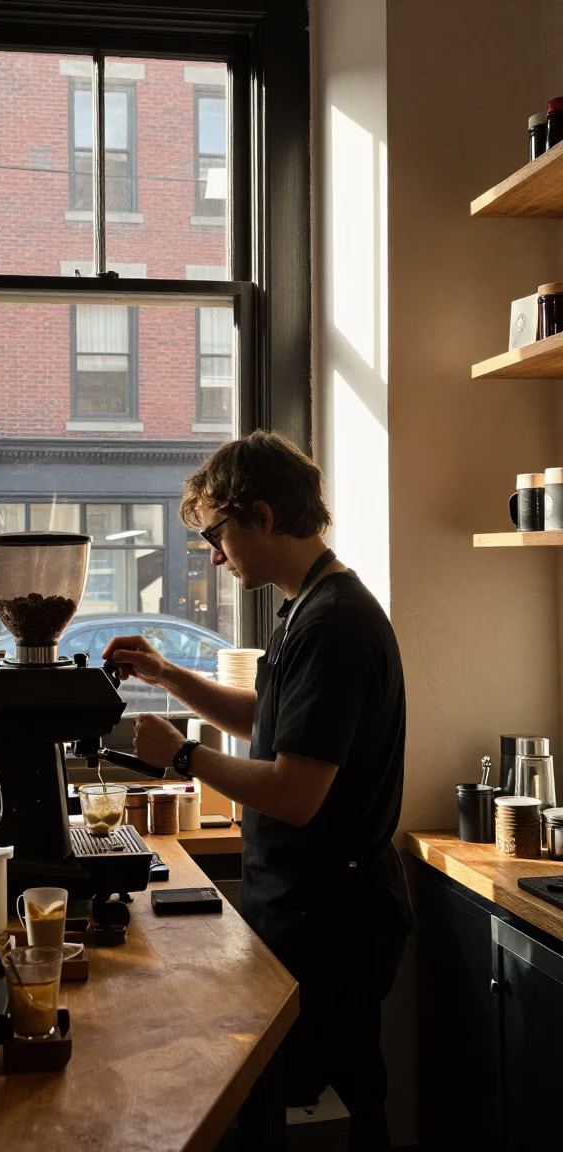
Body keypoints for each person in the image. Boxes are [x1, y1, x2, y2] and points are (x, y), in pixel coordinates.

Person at [102, 430, 413, 1151]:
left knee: (329, 1104)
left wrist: (182, 755)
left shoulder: (334, 623)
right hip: (307, 907)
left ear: (263, 517)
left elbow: (295, 791)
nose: (213, 554)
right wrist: (169, 676)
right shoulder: (309, 605)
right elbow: (271, 724)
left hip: (334, 921)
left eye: (217, 534)